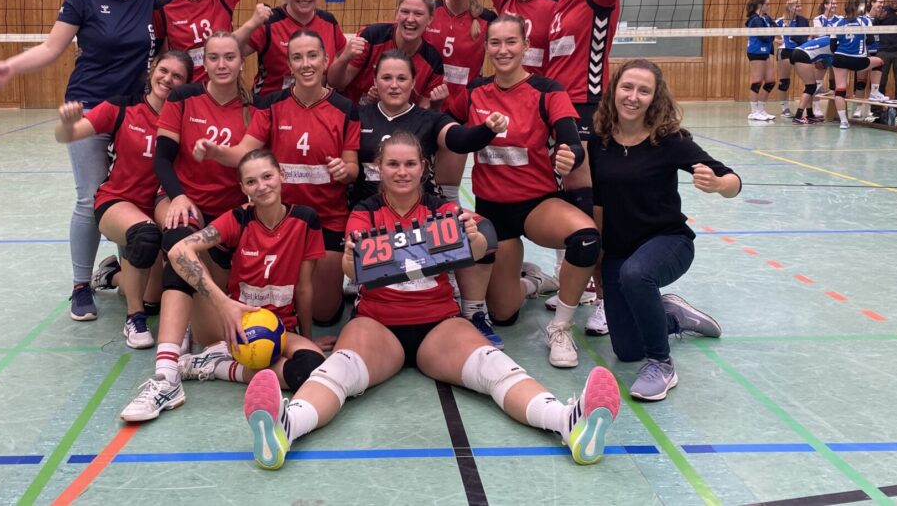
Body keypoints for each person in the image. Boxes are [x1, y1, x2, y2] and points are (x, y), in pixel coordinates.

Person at [239, 130, 622, 470]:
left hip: (438, 324)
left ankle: (568, 422)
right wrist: (351, 256)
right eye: (393, 164)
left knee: (495, 367)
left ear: (423, 167)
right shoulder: (366, 212)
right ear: (379, 168)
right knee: (339, 371)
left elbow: (476, 252)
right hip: (378, 323)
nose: (401, 172)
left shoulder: (441, 209)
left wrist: (473, 236)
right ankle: (285, 428)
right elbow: (352, 271)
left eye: (410, 164)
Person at [0, 0, 161, 322]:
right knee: (90, 196)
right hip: (89, 108)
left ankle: (125, 274)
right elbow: (51, 47)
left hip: (134, 112)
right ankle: (81, 285)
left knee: (131, 196)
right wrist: (11, 66)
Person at [119, 149, 327, 422]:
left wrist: (308, 337)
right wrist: (223, 303)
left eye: (267, 176)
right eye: (251, 181)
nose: (261, 186)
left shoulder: (306, 220)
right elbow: (179, 251)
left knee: (312, 368)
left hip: (279, 328)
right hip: (227, 326)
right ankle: (167, 377)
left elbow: (304, 287)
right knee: (182, 263)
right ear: (243, 188)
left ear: (282, 175)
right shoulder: (238, 218)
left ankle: (216, 366)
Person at [538, 0, 648, 354]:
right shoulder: (559, 2)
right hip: (557, 109)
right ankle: (581, 287)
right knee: (570, 203)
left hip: (586, 107)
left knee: (590, 210)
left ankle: (604, 300)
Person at [452, 15, 598, 367]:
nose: (503, 50)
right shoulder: (474, 92)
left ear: (525, 46)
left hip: (537, 205)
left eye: (511, 42)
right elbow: (448, 130)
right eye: (495, 43)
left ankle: (560, 327)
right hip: (493, 212)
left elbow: (571, 141)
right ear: (487, 48)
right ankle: (534, 281)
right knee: (503, 314)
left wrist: (570, 155)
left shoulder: (547, 90)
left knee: (586, 238)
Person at [590, 59, 740, 401]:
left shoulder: (669, 140)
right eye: (627, 87)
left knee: (636, 274)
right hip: (619, 250)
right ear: (614, 90)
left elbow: (733, 180)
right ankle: (672, 315)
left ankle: (662, 365)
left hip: (668, 241)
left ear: (654, 98)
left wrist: (718, 184)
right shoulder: (599, 139)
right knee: (627, 350)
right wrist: (597, 258)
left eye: (644, 91)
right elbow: (597, 203)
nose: (633, 97)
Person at [196, 30, 359, 328]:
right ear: (289, 64)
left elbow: (352, 168)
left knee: (325, 315)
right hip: (279, 219)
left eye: (312, 56)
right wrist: (215, 152)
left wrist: (343, 170)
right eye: (297, 57)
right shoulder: (272, 105)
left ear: (326, 60)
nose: (306, 64)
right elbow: (244, 152)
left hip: (328, 218)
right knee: (272, 301)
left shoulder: (345, 108)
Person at [352, 51, 507, 343]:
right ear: (375, 81)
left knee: (483, 232)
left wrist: (487, 130)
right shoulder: (358, 116)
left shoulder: (429, 119)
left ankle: (473, 310)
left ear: (413, 82)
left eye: (402, 78)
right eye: (387, 77)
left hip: (422, 211)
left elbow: (460, 140)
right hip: (373, 213)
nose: (394, 85)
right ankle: (377, 293)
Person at [55, 51, 193, 346]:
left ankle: (110, 276)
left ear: (185, 84)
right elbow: (66, 135)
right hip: (117, 201)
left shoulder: (185, 120)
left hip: (155, 206)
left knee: (153, 298)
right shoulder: (122, 107)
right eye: (163, 71)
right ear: (151, 71)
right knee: (144, 236)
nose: (168, 79)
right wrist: (66, 123)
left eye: (177, 76)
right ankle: (134, 319)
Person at [144, 34, 252, 305]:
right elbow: (162, 159)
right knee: (180, 241)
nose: (221, 65)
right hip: (182, 196)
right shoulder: (183, 97)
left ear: (241, 62)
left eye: (229, 57)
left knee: (216, 282)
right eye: (213, 58)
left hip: (228, 208)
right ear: (205, 62)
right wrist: (179, 196)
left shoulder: (254, 107)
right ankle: (183, 327)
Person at [424, 0, 497, 205]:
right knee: (417, 182)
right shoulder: (430, 12)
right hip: (424, 107)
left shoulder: (487, 20)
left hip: (458, 111)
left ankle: (452, 231)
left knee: (447, 189)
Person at [234, 0, 347, 97]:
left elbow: (345, 59)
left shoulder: (329, 22)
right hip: (270, 103)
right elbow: (228, 50)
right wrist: (251, 24)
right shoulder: (270, 22)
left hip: (314, 103)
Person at [328, 0, 446, 107]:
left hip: (399, 117)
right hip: (353, 111)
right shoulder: (372, 36)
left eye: (418, 14)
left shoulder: (433, 61)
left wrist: (435, 105)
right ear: (397, 14)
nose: (410, 19)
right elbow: (335, 83)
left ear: (430, 19)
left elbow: (423, 112)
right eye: (405, 12)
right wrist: (344, 58)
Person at [832, 0, 885, 129]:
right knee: (879, 62)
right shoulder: (865, 21)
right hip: (858, 60)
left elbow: (832, 47)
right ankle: (874, 92)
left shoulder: (837, 23)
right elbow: (871, 40)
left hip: (840, 58)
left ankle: (843, 122)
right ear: (858, 8)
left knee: (840, 89)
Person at [775, 0, 810, 117]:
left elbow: (808, 35)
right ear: (790, 7)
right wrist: (778, 41)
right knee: (784, 81)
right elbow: (764, 33)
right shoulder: (780, 21)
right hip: (785, 51)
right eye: (797, 6)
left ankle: (810, 109)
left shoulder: (804, 21)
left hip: (800, 51)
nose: (800, 8)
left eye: (800, 6)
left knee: (808, 81)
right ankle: (784, 108)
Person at [745, 0, 777, 122]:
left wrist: (772, 33)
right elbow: (764, 36)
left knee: (770, 81)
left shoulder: (766, 17)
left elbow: (775, 27)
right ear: (760, 5)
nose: (768, 6)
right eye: (767, 4)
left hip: (765, 51)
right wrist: (772, 35)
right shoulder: (754, 19)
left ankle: (761, 109)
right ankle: (753, 112)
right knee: (757, 81)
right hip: (756, 51)